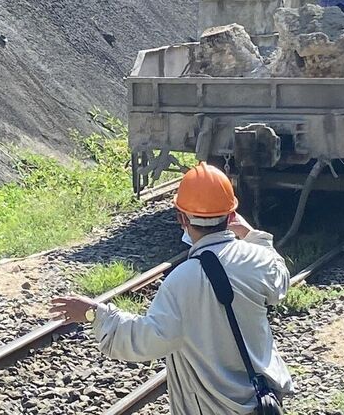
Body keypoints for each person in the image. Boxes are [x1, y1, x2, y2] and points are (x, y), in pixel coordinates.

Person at [49, 165, 292, 415]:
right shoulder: (259, 260)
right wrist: (250, 234)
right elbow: (280, 279)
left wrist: (95, 314)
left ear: (182, 219)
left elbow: (147, 341)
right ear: (232, 216)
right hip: (263, 404)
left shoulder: (181, 281)